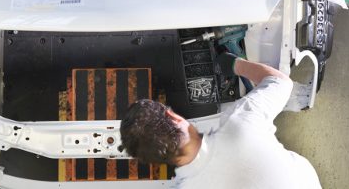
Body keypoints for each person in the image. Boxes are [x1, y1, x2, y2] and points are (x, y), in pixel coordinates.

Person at [120, 53, 322, 189]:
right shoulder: (239, 122)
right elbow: (281, 83)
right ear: (173, 116)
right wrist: (235, 64)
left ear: (156, 161)